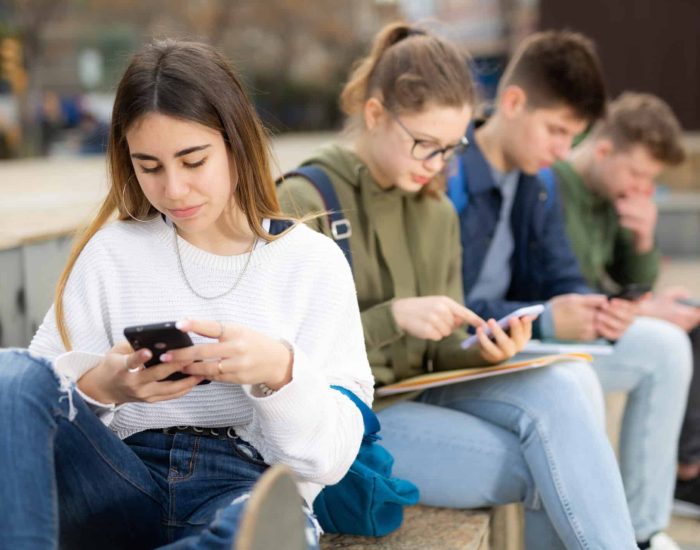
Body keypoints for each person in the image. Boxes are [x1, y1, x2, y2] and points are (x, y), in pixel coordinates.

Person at [0, 39, 375, 549]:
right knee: (12, 374)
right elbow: (27, 412)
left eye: (193, 161)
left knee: (260, 526)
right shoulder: (110, 254)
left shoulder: (312, 263)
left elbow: (330, 459)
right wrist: (105, 387)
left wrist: (278, 372)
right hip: (118, 478)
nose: (173, 189)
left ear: (236, 143)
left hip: (243, 482)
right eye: (149, 166)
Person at [278, 22, 638, 549]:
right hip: (356, 419)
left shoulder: (437, 209)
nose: (439, 166)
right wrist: (393, 317)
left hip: (421, 391)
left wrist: (483, 349)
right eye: (426, 145)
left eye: (451, 148)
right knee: (558, 462)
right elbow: (278, 358)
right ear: (375, 115)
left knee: (565, 383)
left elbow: (438, 352)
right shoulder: (306, 199)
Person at [447, 32, 692, 550]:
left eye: (572, 136)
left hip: (522, 345)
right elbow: (443, 309)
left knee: (665, 348)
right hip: (462, 357)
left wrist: (599, 311)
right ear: (512, 103)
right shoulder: (449, 175)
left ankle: (645, 531)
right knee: (570, 383)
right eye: (556, 131)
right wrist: (552, 319)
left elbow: (563, 280)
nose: (563, 150)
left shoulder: (541, 182)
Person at [545, 92, 700, 520]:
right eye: (636, 173)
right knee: (667, 343)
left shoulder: (610, 194)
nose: (641, 189)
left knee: (691, 315)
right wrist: (648, 312)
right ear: (603, 148)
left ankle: (679, 484)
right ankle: (654, 509)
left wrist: (644, 238)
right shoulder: (553, 187)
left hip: (600, 324)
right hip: (562, 334)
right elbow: (571, 291)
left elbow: (635, 281)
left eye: (650, 181)